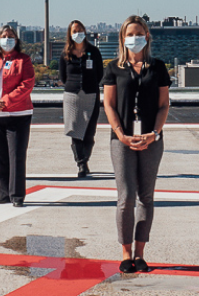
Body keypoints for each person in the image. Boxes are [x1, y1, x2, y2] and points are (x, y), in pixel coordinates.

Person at [103, 15, 170, 274]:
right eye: (129, 34)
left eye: (139, 33)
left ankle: (141, 254)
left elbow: (164, 105)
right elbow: (108, 104)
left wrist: (154, 133)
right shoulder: (113, 68)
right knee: (126, 196)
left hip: (151, 139)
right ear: (122, 38)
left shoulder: (159, 67)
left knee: (146, 197)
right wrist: (120, 134)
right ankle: (125, 252)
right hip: (122, 139)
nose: (134, 38)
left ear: (147, 36)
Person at [0, 25, 35, 207]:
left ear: (16, 40)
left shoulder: (23, 60)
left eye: (11, 36)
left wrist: (5, 101)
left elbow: (27, 83)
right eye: (4, 36)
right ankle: (3, 193)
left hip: (18, 114)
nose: (7, 39)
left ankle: (17, 195)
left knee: (16, 155)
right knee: (0, 156)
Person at [60, 20, 106, 178]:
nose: (77, 33)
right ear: (70, 34)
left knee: (89, 132)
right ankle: (81, 163)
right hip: (72, 95)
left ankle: (85, 157)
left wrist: (89, 84)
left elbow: (100, 73)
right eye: (74, 31)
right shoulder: (65, 53)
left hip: (91, 93)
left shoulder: (93, 51)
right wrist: (74, 85)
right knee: (75, 131)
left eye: (80, 30)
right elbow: (63, 76)